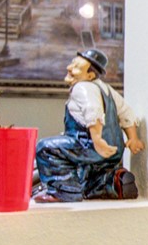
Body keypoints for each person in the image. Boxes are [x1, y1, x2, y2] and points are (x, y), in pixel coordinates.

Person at [32, 49, 142, 203]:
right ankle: (112, 182)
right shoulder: (106, 89)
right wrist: (133, 138)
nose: (69, 68)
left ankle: (63, 191)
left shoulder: (82, 87)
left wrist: (97, 140)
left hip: (92, 147)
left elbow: (93, 111)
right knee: (90, 174)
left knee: (46, 148)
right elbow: (126, 112)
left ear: (90, 75)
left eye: (76, 67)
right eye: (72, 63)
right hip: (114, 150)